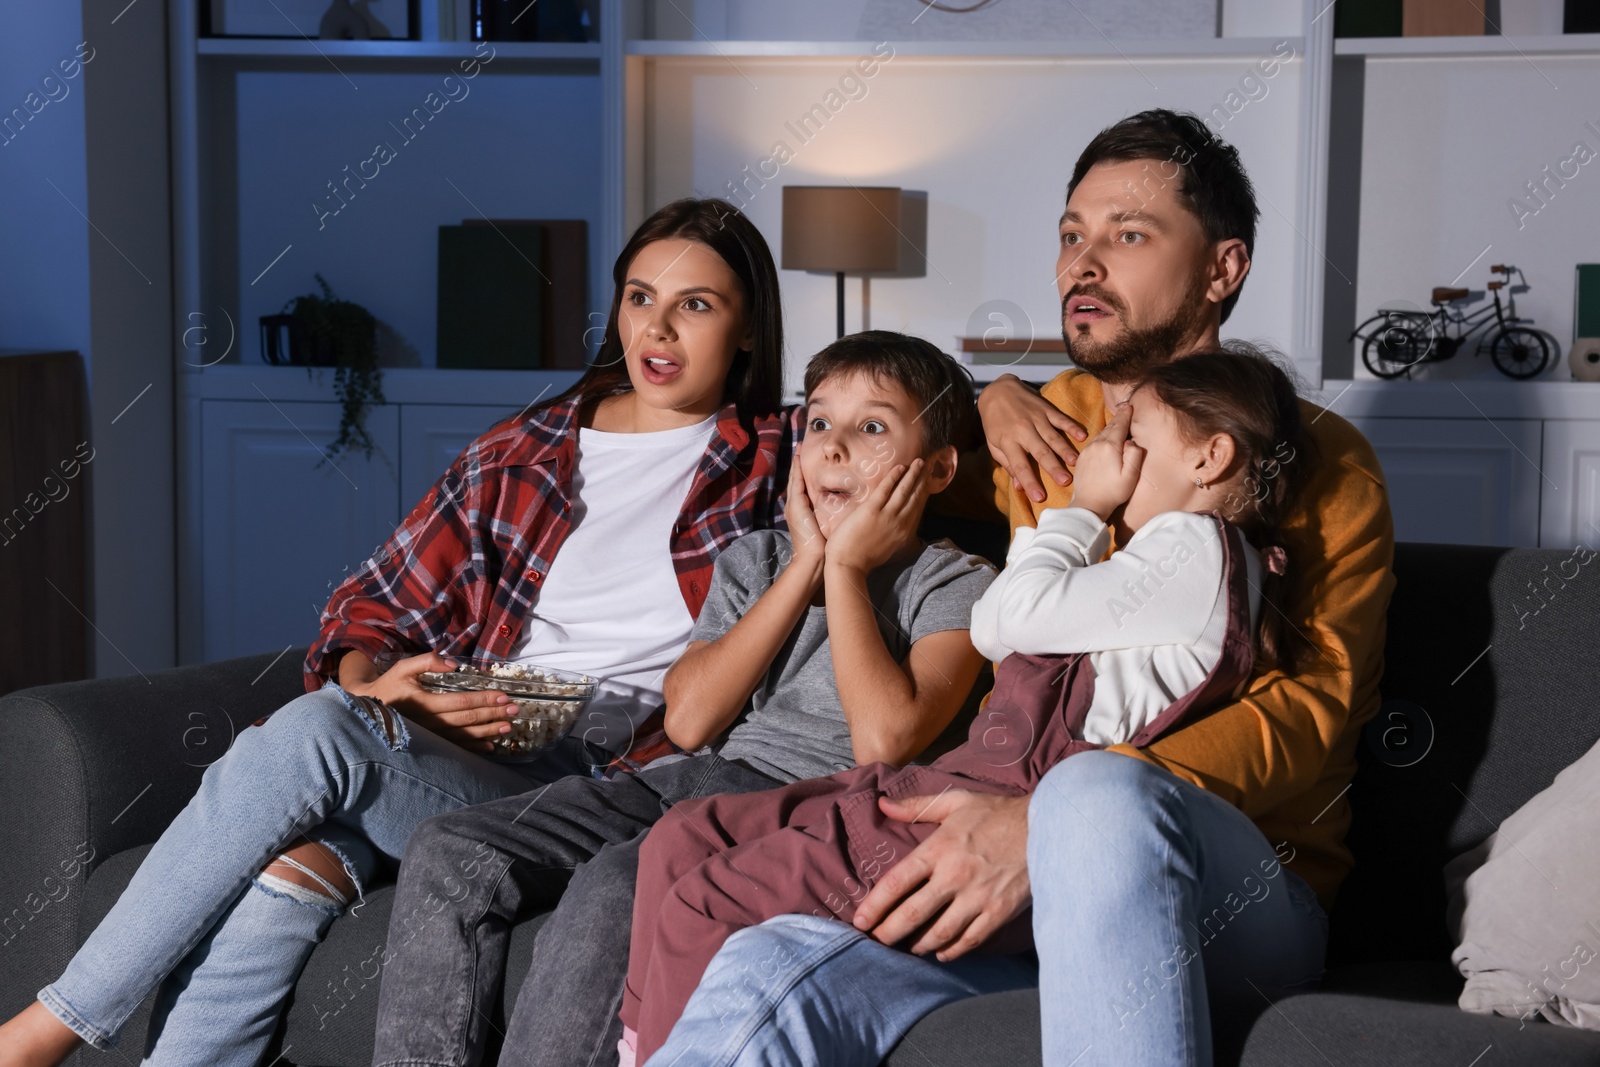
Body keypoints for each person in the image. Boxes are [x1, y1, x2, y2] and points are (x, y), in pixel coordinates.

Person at [658, 109, 1397, 1067]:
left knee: (1094, 800)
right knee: (766, 971)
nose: (1083, 264)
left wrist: (1038, 824)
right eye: (1070, 236)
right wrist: (987, 393)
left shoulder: (1321, 461)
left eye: (1128, 235)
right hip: (1003, 840)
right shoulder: (1042, 426)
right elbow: (886, 433)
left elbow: (1313, 715)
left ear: (1223, 269)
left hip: (1240, 881)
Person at [0, 196, 801, 1067]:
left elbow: (930, 409)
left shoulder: (781, 454)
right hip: (468, 740)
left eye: (697, 305)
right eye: (641, 296)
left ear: (750, 327)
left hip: (601, 782)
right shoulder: (522, 450)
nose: (659, 328)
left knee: (308, 805)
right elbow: (367, 611)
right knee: (304, 841)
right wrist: (379, 684)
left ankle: (48, 1030)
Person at [626, 346, 1313, 1063]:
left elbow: (1003, 619)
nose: (1111, 451)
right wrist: (1002, 394)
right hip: (959, 782)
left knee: (708, 898)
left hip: (999, 810)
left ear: (1211, 456)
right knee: (684, 836)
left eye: (1133, 437)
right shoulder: (1154, 558)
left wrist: (1080, 505)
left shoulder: (1195, 550)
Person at [368, 331, 997, 1067]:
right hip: (683, 779)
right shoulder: (757, 559)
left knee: (616, 885)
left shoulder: (955, 582)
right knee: (451, 848)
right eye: (821, 423)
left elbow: (884, 743)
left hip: (805, 805)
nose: (833, 447)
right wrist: (805, 566)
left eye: (873, 427)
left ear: (939, 468)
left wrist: (849, 573)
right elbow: (692, 718)